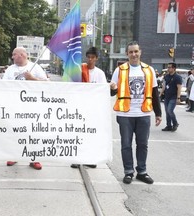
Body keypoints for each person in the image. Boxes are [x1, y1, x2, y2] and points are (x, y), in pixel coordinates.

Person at [110, 41, 162, 184]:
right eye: (131, 52)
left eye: (136, 51)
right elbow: (111, 92)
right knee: (126, 144)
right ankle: (128, 172)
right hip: (125, 114)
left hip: (143, 114)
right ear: (127, 54)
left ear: (140, 52)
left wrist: (158, 113)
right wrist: (112, 88)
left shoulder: (149, 70)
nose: (133, 54)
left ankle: (142, 171)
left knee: (143, 144)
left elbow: (154, 92)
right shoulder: (119, 70)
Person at [3, 47, 47, 170]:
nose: (12, 57)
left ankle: (34, 158)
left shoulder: (36, 67)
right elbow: (2, 85)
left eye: (14, 54)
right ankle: (14, 155)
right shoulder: (10, 70)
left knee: (33, 132)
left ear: (22, 55)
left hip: (32, 107)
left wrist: (32, 78)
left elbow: (47, 83)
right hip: (15, 106)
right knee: (15, 131)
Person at [71, 47, 107, 169]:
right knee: (78, 134)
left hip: (93, 108)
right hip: (79, 107)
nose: (90, 59)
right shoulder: (80, 70)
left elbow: (103, 90)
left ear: (96, 59)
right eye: (89, 57)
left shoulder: (100, 73)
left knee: (91, 134)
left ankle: (90, 158)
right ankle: (76, 158)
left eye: (93, 57)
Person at [159, 62, 182, 131]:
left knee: (170, 111)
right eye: (168, 67)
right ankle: (168, 126)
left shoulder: (178, 77)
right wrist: (159, 95)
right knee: (167, 112)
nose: (168, 68)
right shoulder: (166, 76)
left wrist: (178, 98)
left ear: (174, 68)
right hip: (167, 97)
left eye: (169, 67)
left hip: (174, 97)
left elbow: (179, 88)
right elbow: (164, 86)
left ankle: (175, 123)